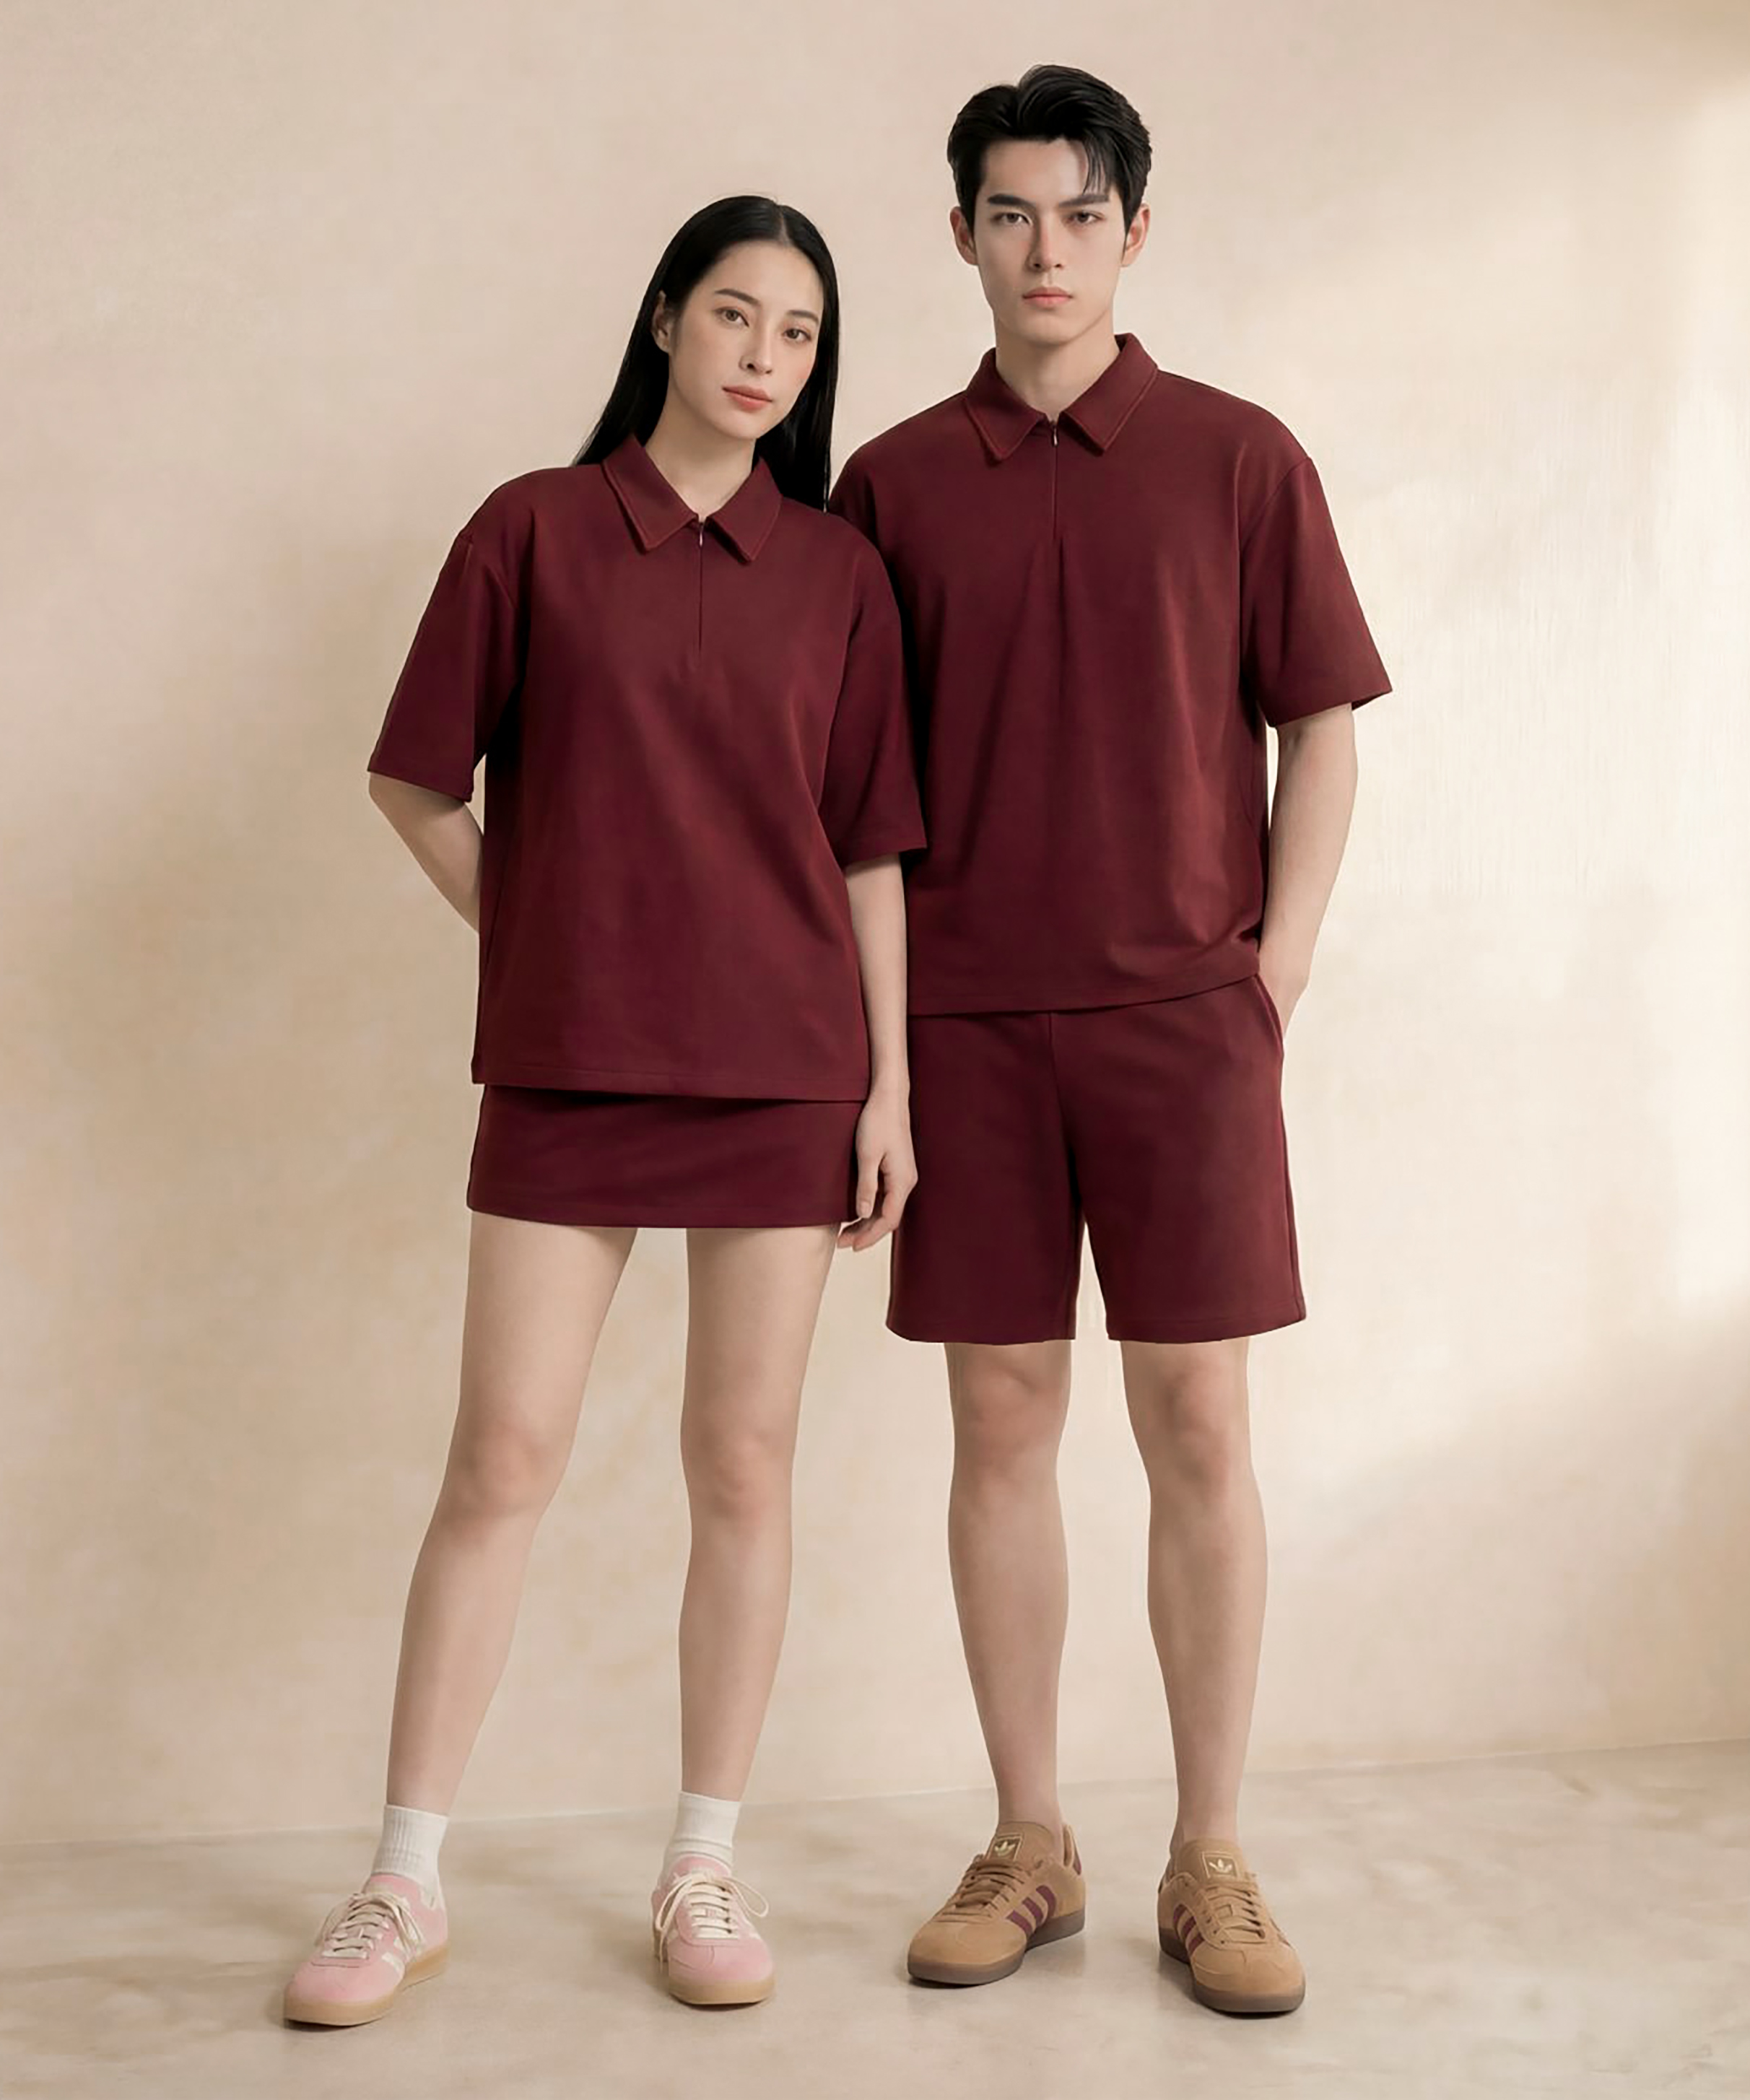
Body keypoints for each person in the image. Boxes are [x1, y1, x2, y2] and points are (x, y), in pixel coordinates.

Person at [282, 195, 926, 2026]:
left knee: (744, 1464)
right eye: (733, 313)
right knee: (502, 1456)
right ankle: (404, 1881)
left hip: (788, 1070)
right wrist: (543, 935)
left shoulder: (840, 573)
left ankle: (702, 1862)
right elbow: (416, 782)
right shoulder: (534, 530)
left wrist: (890, 1084)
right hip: (570, 1065)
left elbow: (871, 848)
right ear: (661, 320)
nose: (764, 356)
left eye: (799, 332)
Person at [827, 66, 1392, 2016]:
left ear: (1135, 231)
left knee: (1199, 1425)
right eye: (1010, 214)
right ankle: (1031, 1838)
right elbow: (849, 790)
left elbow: (1322, 723)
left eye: (1080, 214)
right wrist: (878, 1054)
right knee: (1000, 1421)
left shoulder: (1241, 458)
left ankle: (1211, 1852)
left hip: (1185, 1025)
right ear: (961, 235)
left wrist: (1272, 972)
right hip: (966, 1028)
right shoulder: (889, 485)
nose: (1045, 250)